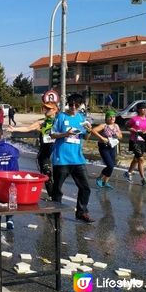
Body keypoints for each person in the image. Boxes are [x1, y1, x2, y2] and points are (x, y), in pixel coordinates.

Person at [49, 93, 95, 223]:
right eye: (71, 104)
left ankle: (82, 212)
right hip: (62, 159)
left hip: (78, 159)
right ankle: (56, 212)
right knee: (57, 188)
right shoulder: (61, 117)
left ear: (80, 105)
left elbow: (85, 137)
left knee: (85, 187)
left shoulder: (82, 118)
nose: (73, 107)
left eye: (76, 104)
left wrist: (89, 131)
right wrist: (65, 134)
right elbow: (52, 135)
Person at [8, 101, 59, 200]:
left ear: (55, 110)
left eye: (48, 108)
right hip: (45, 154)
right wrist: (14, 129)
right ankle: (53, 197)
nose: (45, 110)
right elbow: (28, 128)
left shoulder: (59, 121)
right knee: (48, 176)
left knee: (58, 178)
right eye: (45, 108)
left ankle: (57, 197)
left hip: (57, 153)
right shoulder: (42, 122)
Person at [124, 102, 146, 186]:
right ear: (138, 109)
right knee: (141, 159)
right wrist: (132, 130)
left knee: (136, 159)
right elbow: (127, 126)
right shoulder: (134, 119)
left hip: (143, 140)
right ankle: (143, 179)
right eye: (143, 108)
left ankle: (128, 173)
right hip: (134, 140)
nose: (145, 110)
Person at [91, 110, 123, 188]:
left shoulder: (116, 126)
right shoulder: (103, 125)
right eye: (110, 117)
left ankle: (105, 182)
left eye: (114, 117)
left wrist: (118, 135)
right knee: (110, 165)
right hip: (104, 147)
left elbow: (121, 136)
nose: (112, 118)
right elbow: (93, 131)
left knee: (112, 165)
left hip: (112, 146)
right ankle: (99, 178)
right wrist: (102, 138)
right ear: (106, 118)